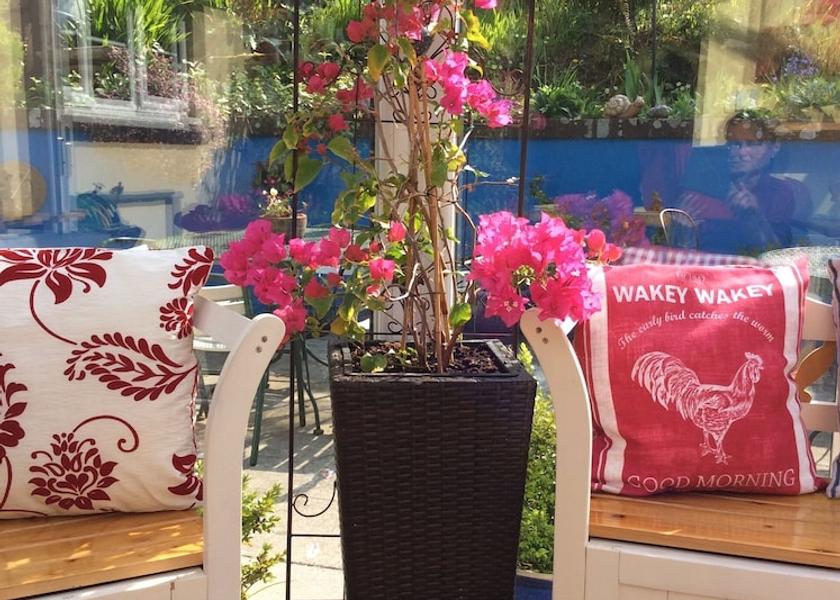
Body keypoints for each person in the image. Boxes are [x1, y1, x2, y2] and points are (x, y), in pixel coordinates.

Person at [675, 118, 797, 254]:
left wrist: (754, 216)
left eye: (752, 144)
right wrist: (682, 234)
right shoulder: (701, 190)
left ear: (774, 148)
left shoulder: (779, 193)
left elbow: (777, 256)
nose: (741, 152)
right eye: (735, 144)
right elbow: (683, 251)